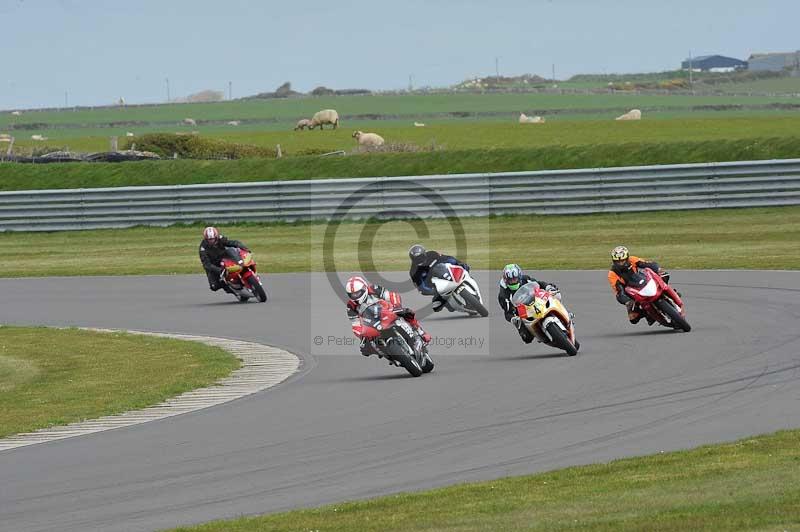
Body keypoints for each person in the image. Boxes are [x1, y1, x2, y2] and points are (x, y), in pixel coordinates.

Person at [345, 275, 431, 357]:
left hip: (387, 311)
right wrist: (362, 335)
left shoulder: (373, 289)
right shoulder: (351, 305)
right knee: (365, 348)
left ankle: (421, 332)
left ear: (364, 288)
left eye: (358, 293)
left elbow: (391, 295)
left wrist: (397, 306)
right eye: (352, 294)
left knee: (407, 313)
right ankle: (386, 353)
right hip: (371, 322)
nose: (355, 296)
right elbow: (355, 325)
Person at [497, 264, 559, 344]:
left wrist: (548, 287)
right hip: (521, 313)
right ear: (506, 280)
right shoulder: (503, 294)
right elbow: (507, 312)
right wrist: (514, 319)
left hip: (536, 301)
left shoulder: (525, 279)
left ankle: (565, 313)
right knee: (527, 338)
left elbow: (539, 284)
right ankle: (540, 334)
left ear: (519, 277)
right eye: (510, 280)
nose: (513, 281)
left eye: (515, 279)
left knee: (556, 295)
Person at [607, 245, 669, 324]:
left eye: (623, 260)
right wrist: (628, 301)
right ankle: (649, 314)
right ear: (614, 261)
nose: (621, 263)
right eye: (618, 262)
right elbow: (619, 291)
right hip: (630, 292)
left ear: (627, 258)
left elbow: (646, 264)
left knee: (664, 275)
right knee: (633, 319)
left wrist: (658, 269)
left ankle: (668, 292)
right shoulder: (612, 274)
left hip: (641, 281)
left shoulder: (632, 259)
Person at [408, 244, 470, 312]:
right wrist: (433, 291)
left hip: (446, 272)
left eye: (420, 257)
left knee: (464, 269)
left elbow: (447, 258)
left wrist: (459, 263)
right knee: (437, 306)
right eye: (416, 259)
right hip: (436, 286)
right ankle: (453, 305)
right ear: (412, 259)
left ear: (424, 254)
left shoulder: (432, 254)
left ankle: (468, 281)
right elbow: (421, 288)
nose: (419, 260)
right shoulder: (413, 272)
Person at [199, 226, 250, 293]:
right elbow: (207, 264)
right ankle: (230, 289)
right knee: (214, 286)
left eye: (213, 239)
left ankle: (240, 262)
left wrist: (243, 247)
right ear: (206, 239)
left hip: (225, 258)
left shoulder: (220, 238)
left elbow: (232, 242)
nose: (211, 241)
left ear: (216, 237)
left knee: (230, 249)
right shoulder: (203, 248)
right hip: (214, 264)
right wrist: (219, 270)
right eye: (209, 239)